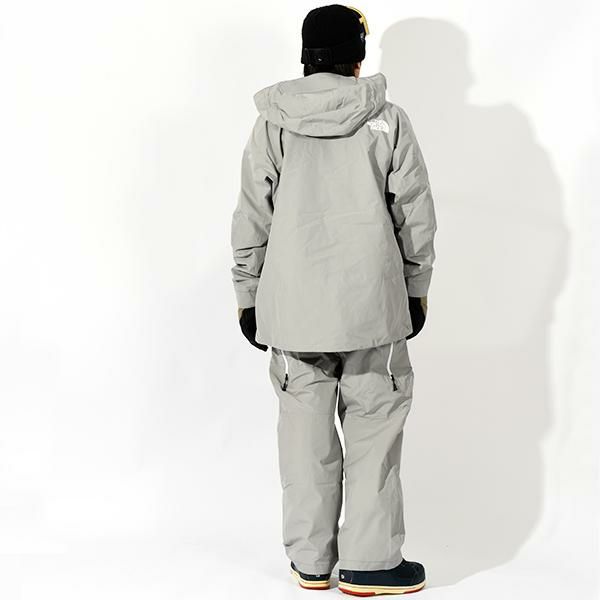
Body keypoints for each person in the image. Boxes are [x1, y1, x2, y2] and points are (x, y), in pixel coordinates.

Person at [230, 4, 436, 596]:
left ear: (305, 57)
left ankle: (311, 561)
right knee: (374, 428)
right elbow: (415, 214)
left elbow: (252, 216)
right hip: (373, 310)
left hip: (293, 312)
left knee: (304, 434)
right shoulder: (388, 120)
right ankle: (371, 565)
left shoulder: (272, 124)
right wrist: (415, 290)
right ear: (357, 57)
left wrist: (248, 294)